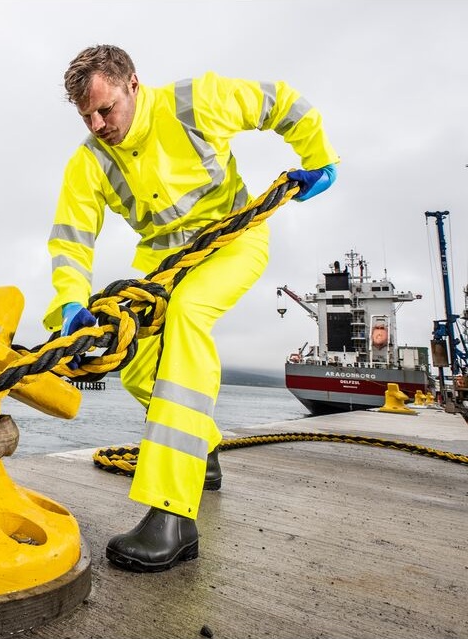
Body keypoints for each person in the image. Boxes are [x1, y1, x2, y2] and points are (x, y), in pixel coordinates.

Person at [43, 45, 339, 573]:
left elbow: (280, 102)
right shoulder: (89, 160)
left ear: (133, 84)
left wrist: (320, 158)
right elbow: (71, 239)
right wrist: (69, 301)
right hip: (162, 258)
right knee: (132, 359)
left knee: (187, 314)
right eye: (85, 115)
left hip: (233, 238)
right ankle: (204, 450)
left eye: (105, 109)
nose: (96, 123)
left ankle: (173, 515)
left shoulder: (195, 103)